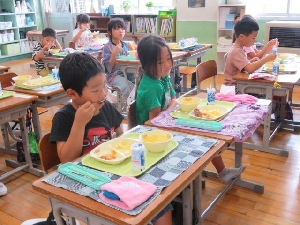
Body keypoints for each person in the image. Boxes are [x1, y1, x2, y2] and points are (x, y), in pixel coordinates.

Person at [50, 52, 172, 225]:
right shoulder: (64, 118)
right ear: (73, 94)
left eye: (104, 87)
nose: (103, 94)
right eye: (95, 90)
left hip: (115, 174)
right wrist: (79, 124)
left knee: (160, 200)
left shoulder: (104, 106)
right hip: (88, 183)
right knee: (138, 208)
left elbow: (121, 135)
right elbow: (67, 159)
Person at [135, 34, 245, 222]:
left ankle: (222, 172)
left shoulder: (161, 78)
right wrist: (173, 107)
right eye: (160, 62)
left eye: (168, 59)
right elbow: (154, 121)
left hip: (169, 123)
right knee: (203, 136)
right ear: (147, 64)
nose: (167, 65)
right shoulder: (152, 86)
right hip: (155, 135)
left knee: (206, 132)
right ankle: (199, 183)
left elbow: (173, 100)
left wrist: (176, 106)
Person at [224, 15, 277, 86]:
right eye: (253, 38)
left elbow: (243, 67)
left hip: (239, 83)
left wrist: (250, 62)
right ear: (241, 37)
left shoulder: (239, 48)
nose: (254, 41)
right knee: (266, 86)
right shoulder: (237, 51)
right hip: (233, 86)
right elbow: (250, 69)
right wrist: (266, 59)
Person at [102, 18, 135, 102]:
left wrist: (134, 50)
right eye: (116, 29)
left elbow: (132, 59)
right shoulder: (107, 47)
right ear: (110, 32)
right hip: (114, 76)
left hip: (128, 73)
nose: (120, 31)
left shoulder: (127, 45)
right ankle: (129, 107)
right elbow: (109, 68)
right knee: (129, 87)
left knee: (140, 83)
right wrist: (114, 53)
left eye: (122, 28)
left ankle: (131, 104)